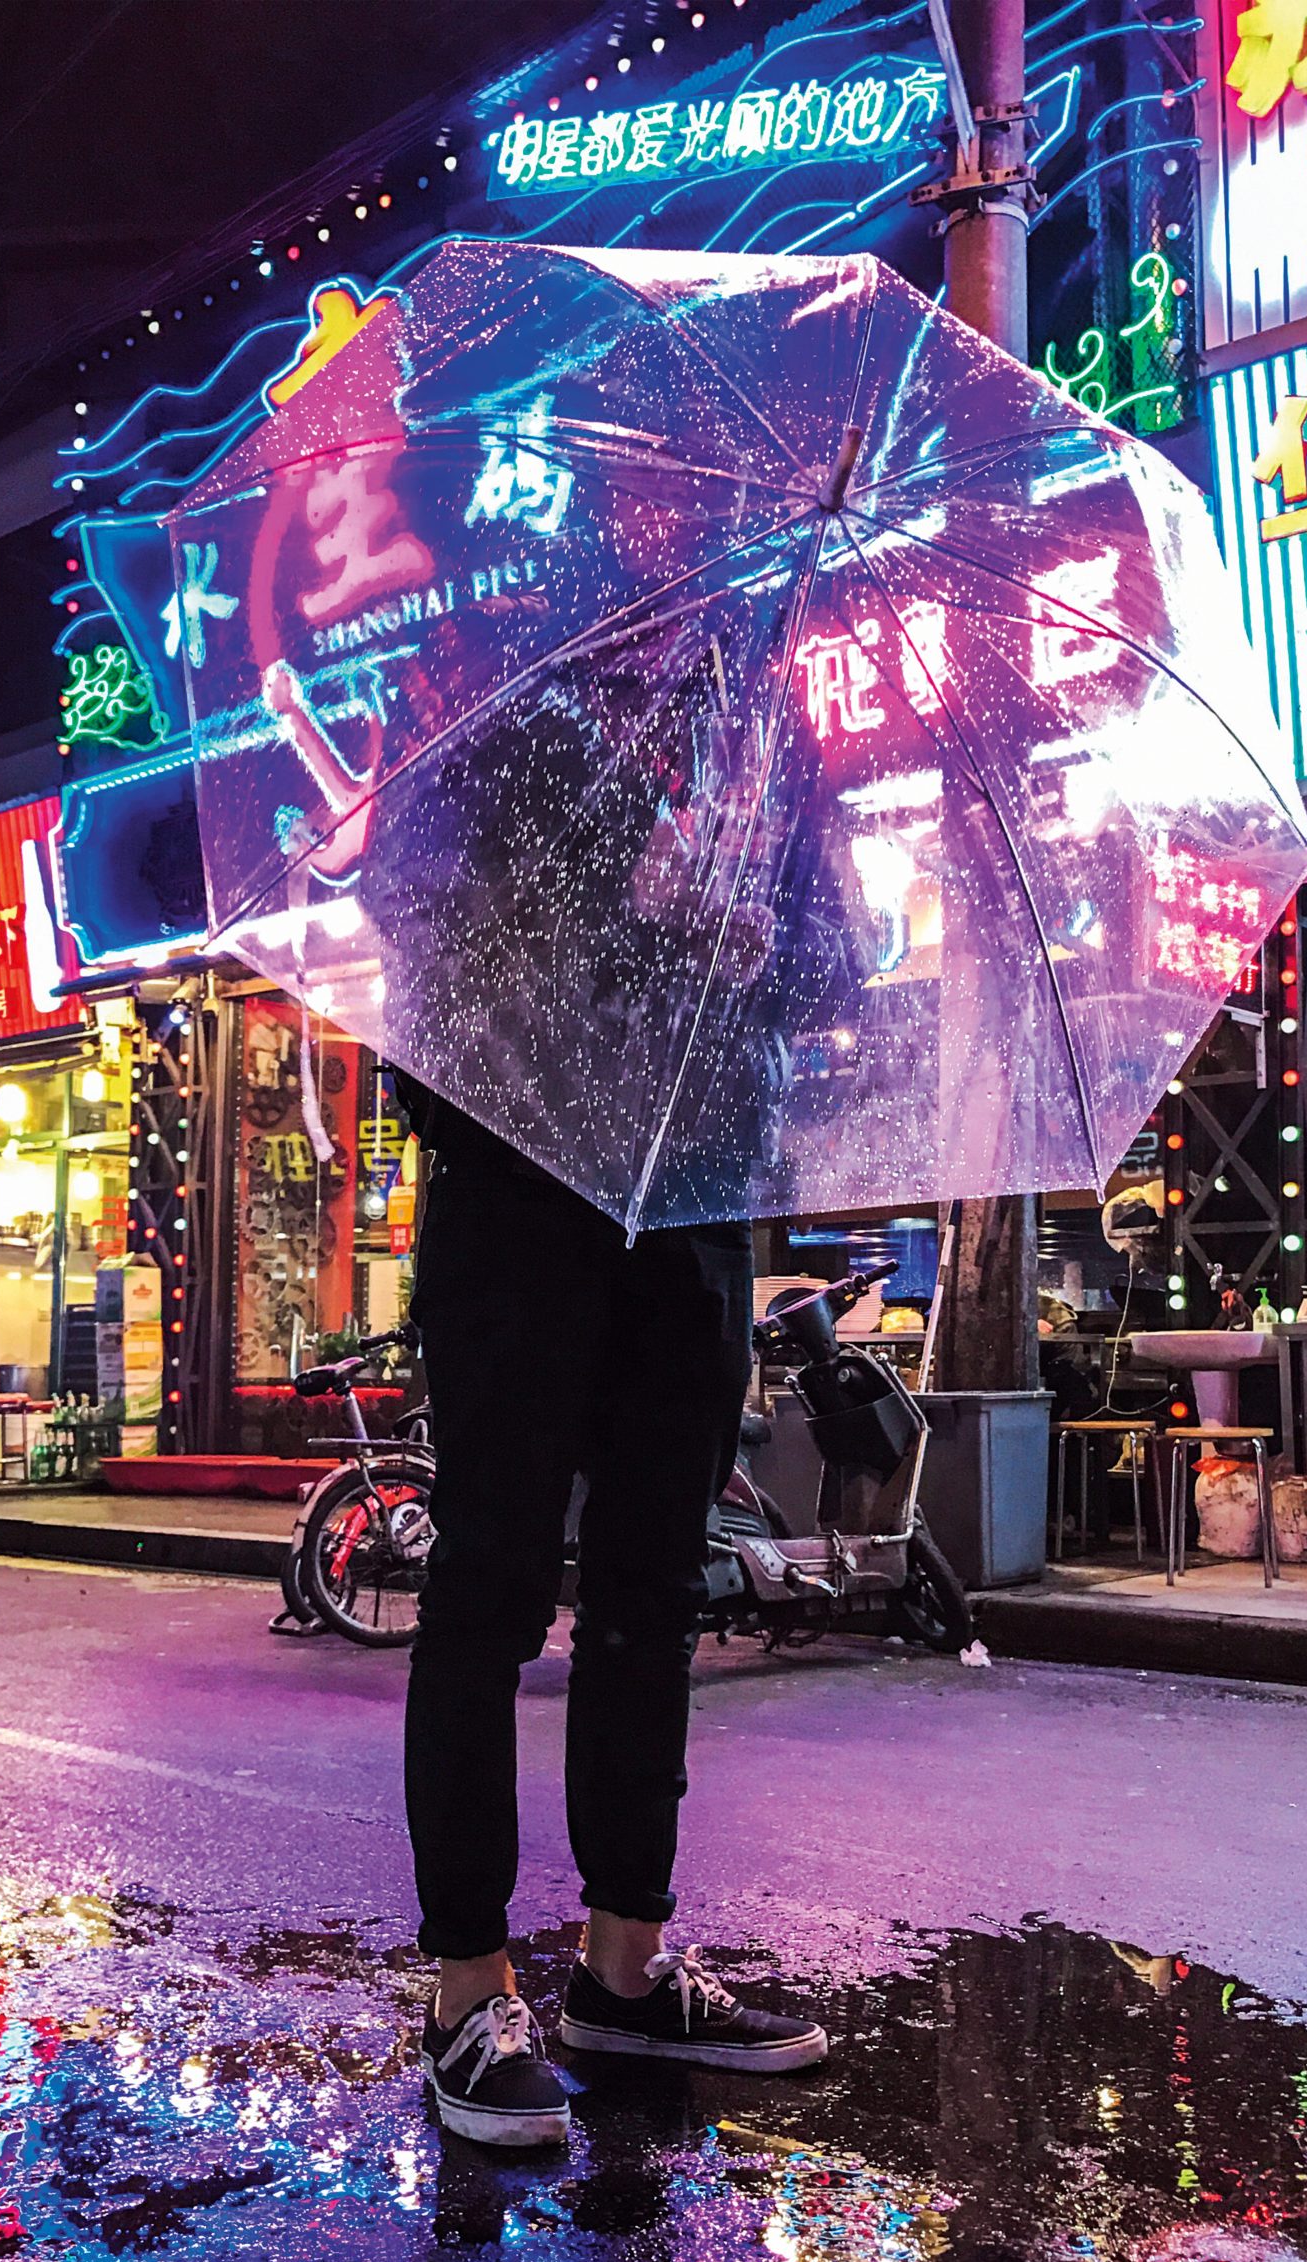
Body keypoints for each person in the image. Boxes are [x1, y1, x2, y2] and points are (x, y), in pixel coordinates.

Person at [389, 674, 833, 2153]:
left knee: (655, 1590)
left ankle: (623, 1971)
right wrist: (614, 898)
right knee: (494, 1582)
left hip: (696, 1200)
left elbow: (824, 959)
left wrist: (765, 946)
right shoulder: (502, 707)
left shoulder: (765, 723)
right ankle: (465, 1995)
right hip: (519, 1185)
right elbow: (418, 940)